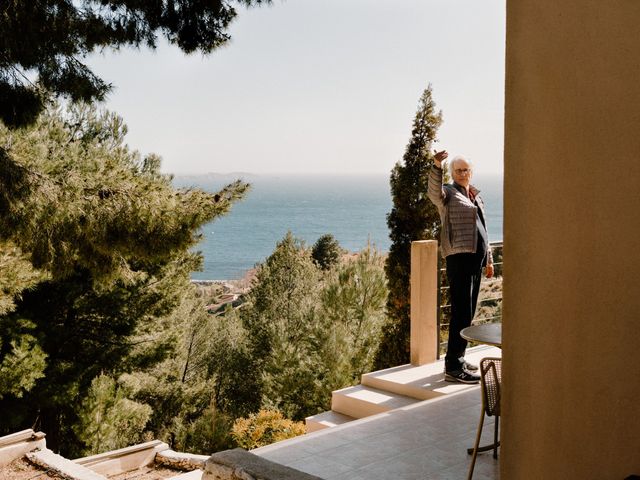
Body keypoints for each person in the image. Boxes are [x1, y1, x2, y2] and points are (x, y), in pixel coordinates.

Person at [427, 150, 494, 384]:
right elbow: (433, 193)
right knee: (461, 312)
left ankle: (459, 356)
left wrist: (489, 259)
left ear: (471, 172)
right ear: (452, 173)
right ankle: (453, 368)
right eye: (458, 170)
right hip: (460, 259)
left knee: (469, 312)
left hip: (476, 259)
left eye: (466, 170)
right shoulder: (448, 193)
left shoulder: (475, 195)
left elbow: (483, 227)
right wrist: (436, 165)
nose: (463, 173)